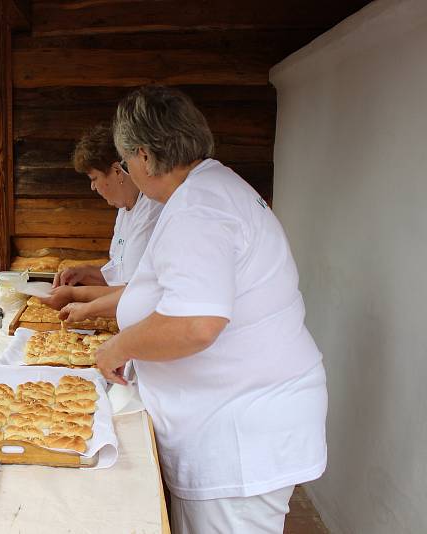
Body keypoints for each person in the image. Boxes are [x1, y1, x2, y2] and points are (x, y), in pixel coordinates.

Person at [60, 87, 328, 533]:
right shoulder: (205, 190)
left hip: (239, 434)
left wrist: (118, 347)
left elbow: (196, 324)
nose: (128, 171)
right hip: (230, 420)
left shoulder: (200, 208)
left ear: (143, 157)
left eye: (125, 162)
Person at [54, 123, 163, 288]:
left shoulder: (150, 210)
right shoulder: (124, 209)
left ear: (117, 171)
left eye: (94, 179)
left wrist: (75, 296)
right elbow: (118, 273)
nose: (93, 187)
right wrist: (84, 272)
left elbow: (131, 292)